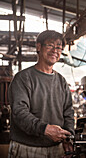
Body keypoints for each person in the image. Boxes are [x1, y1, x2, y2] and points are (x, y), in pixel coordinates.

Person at [8, 30, 75, 158]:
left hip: (56, 149)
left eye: (59, 47)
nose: (55, 50)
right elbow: (20, 113)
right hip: (27, 148)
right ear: (38, 47)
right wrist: (44, 129)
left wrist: (68, 138)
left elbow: (68, 112)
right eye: (50, 45)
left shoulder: (61, 81)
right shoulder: (23, 78)